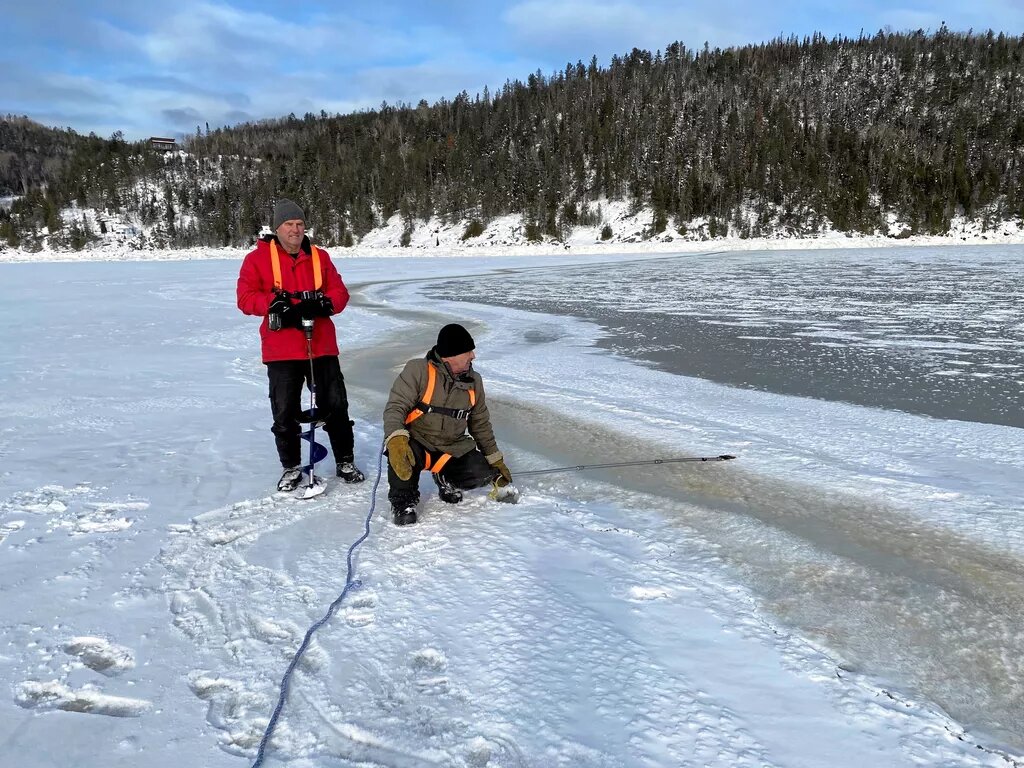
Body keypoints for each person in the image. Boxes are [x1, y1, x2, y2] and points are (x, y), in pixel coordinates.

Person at [237, 198, 365, 491]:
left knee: (336, 406)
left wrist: (325, 304)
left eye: (299, 224)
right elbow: (245, 299)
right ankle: (291, 467)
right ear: (277, 229)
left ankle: (345, 461)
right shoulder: (256, 260)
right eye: (289, 225)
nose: (295, 230)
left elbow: (340, 292)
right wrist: (275, 303)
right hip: (281, 350)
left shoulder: (320, 257)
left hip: (321, 346)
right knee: (284, 411)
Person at [382, 323, 518, 526]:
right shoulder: (418, 370)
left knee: (480, 472)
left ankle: (445, 480)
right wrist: (396, 438)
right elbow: (395, 407)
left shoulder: (475, 381)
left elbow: (480, 423)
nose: (473, 356)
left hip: (452, 446)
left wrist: (495, 460)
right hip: (417, 440)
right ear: (449, 356)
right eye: (468, 351)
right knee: (401, 455)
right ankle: (403, 503)